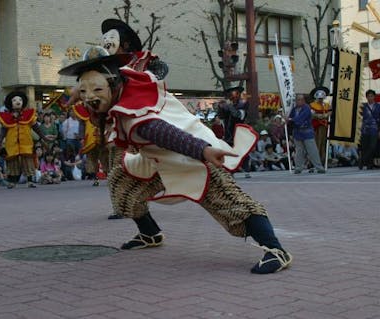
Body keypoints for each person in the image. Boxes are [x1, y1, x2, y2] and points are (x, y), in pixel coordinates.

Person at [58, 46, 293, 274]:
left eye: (96, 91)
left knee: (231, 203)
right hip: (156, 157)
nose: (88, 98)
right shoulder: (134, 79)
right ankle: (150, 233)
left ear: (113, 83)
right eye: (83, 91)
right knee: (123, 185)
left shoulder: (135, 117)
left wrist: (203, 151)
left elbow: (165, 133)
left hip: (191, 153)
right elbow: (158, 68)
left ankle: (276, 250)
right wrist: (78, 94)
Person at [0, 91, 53, 189]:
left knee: (28, 162)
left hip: (26, 143)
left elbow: (36, 127)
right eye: (14, 100)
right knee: (12, 163)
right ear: (11, 103)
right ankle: (12, 182)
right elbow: (3, 131)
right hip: (11, 144)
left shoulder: (28, 115)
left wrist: (43, 137)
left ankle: (30, 181)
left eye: (20, 100)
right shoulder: (6, 117)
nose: (17, 102)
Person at [288, 94, 325, 174]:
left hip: (307, 132)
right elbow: (290, 120)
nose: (299, 101)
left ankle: (319, 167)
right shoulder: (294, 109)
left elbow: (300, 118)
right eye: (298, 99)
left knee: (312, 150)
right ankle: (298, 168)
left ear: (304, 101)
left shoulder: (307, 108)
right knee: (299, 151)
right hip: (297, 132)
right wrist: (287, 120)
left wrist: (290, 119)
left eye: (301, 99)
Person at [359, 90, 380, 170]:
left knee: (372, 146)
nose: (370, 98)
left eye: (372, 96)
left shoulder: (378, 106)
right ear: (366, 97)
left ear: (374, 97)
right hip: (365, 129)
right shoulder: (363, 106)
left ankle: (362, 161)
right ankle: (369, 164)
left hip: (374, 129)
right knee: (365, 147)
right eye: (368, 96)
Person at [309, 86, 331, 164]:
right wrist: (317, 116)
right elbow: (311, 114)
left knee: (323, 144)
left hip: (324, 126)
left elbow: (330, 111)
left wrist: (327, 115)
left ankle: (323, 159)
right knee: (316, 143)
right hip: (315, 127)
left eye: (322, 98)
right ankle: (313, 161)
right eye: (319, 98)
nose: (321, 100)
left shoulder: (326, 105)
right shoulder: (312, 105)